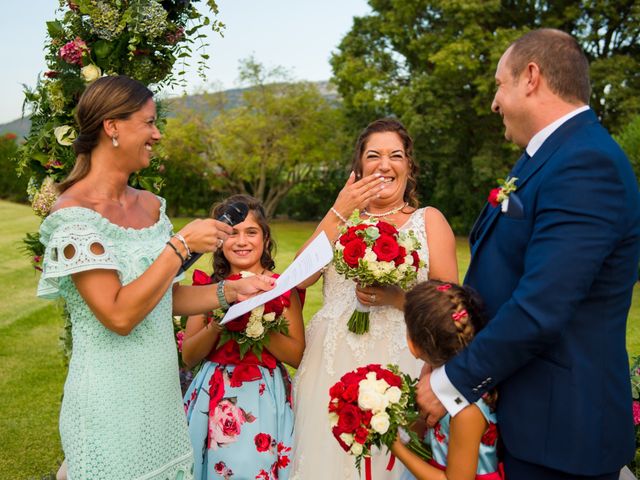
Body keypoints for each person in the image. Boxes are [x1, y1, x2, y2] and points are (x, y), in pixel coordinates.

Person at [417, 29, 640, 480]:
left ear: (531, 78)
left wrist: (450, 382)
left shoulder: (586, 164)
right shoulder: (547, 157)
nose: (494, 103)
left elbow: (543, 306)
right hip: (527, 414)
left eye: (500, 84)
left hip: (562, 431)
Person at [37, 76, 274, 480]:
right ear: (112, 126)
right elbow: (119, 315)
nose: (157, 134)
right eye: (148, 122)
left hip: (161, 398)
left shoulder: (150, 205)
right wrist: (180, 246)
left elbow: (163, 296)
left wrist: (229, 291)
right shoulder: (74, 214)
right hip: (107, 402)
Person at [291, 118, 459, 479]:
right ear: (359, 167)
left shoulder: (428, 221)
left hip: (401, 367)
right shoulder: (340, 221)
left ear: (409, 168)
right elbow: (299, 278)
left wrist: (399, 299)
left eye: (395, 155)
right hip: (330, 369)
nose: (385, 164)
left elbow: (449, 311)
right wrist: (339, 211)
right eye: (374, 155)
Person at [181, 194, 305, 480]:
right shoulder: (208, 289)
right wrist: (220, 325)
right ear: (219, 241)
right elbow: (189, 356)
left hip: (265, 395)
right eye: (232, 233)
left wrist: (255, 324)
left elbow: (297, 356)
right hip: (215, 393)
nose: (242, 241)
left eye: (251, 232)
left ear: (265, 239)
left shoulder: (280, 288)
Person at [392, 280, 501, 480]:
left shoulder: (467, 411)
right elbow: (424, 426)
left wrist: (397, 447)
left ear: (413, 345)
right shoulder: (432, 377)